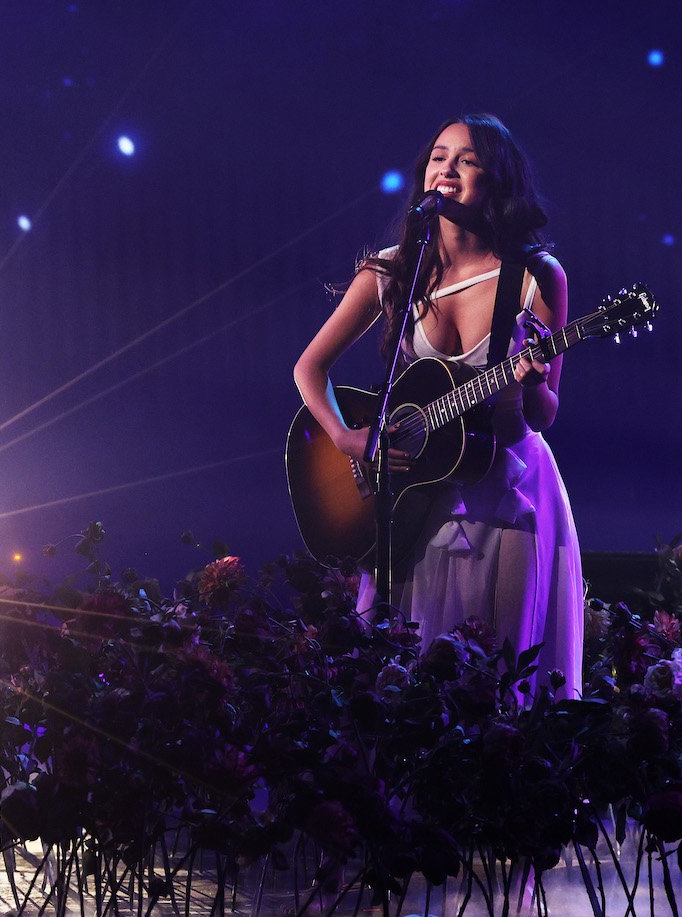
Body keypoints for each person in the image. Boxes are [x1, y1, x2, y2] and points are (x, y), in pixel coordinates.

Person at [293, 114, 582, 697]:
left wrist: (527, 382)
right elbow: (309, 368)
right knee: (405, 674)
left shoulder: (534, 278)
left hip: (505, 494)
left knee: (495, 680)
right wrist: (349, 438)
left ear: (496, 178)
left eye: (466, 160)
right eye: (437, 157)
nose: (446, 170)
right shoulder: (393, 271)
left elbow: (545, 414)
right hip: (414, 497)